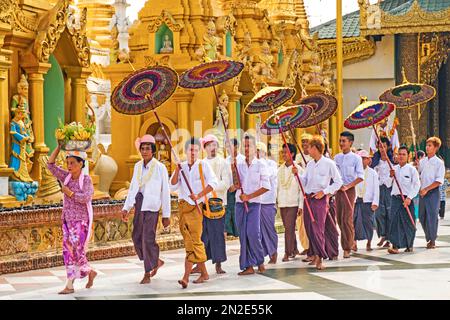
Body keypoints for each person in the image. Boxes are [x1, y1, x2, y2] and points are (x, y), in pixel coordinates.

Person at [121, 135, 171, 284]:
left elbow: (165, 191)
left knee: (147, 239)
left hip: (152, 206)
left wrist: (166, 214)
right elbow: (132, 188)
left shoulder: (160, 167)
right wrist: (126, 207)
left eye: (147, 148)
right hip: (139, 204)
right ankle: (155, 260)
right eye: (142, 148)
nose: (144, 151)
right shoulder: (137, 166)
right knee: (136, 237)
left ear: (153, 150)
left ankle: (147, 273)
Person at [48, 145, 97, 294]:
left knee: (77, 250)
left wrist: (69, 193)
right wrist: (58, 147)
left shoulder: (86, 180)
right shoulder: (66, 177)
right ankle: (84, 274)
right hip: (67, 220)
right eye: (67, 163)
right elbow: (50, 165)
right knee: (67, 251)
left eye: (72, 163)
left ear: (81, 163)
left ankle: (73, 282)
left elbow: (87, 197)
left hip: (81, 221)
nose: (69, 166)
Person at [170, 138, 218, 288]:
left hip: (196, 207)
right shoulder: (182, 166)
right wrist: (177, 170)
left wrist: (199, 195)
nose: (193, 153)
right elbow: (172, 185)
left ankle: (185, 277)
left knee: (194, 241)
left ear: (199, 151)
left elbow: (213, 183)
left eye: (196, 150)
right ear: (185, 151)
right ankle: (204, 273)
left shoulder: (204, 165)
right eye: (190, 150)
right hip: (183, 207)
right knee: (190, 241)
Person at [300, 136, 343, 270]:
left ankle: (320, 257)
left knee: (318, 228)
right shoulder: (310, 164)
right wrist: (297, 174)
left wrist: (325, 192)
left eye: (310, 147)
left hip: (320, 199)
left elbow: (338, 182)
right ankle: (314, 253)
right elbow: (305, 181)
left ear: (316, 148)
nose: (308, 149)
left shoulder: (329, 163)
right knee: (309, 228)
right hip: (308, 198)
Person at [233, 135, 270, 275]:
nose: (247, 149)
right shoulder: (239, 163)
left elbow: (266, 186)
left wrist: (249, 196)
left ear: (255, 148)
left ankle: (260, 261)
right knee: (243, 234)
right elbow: (237, 184)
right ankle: (247, 266)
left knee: (253, 233)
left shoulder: (261, 164)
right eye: (245, 146)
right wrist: (233, 169)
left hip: (254, 204)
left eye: (249, 146)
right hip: (240, 204)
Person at [199, 134, 231, 274]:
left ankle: (218, 263)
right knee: (203, 235)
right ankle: (200, 263)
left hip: (218, 203)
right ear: (205, 148)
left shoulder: (223, 162)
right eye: (209, 145)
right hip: (203, 203)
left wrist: (211, 187)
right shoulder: (201, 163)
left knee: (217, 234)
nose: (212, 148)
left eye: (214, 145)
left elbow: (226, 183)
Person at [334, 131, 364, 258]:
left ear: (350, 142)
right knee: (339, 220)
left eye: (344, 141)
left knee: (347, 219)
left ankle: (347, 247)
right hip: (338, 190)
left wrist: (348, 186)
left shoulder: (356, 158)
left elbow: (360, 177)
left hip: (349, 190)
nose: (341, 143)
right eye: (340, 141)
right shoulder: (336, 157)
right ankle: (349, 242)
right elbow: (334, 174)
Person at [388, 146, 420, 254]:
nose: (401, 156)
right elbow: (388, 184)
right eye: (399, 154)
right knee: (393, 222)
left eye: (403, 154)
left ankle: (409, 245)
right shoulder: (393, 168)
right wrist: (391, 176)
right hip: (395, 199)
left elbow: (416, 185)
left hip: (407, 199)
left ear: (408, 156)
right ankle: (395, 245)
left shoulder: (412, 170)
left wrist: (409, 198)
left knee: (408, 223)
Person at [278, 143, 305, 262]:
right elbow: (278, 186)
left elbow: (301, 189)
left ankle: (287, 253)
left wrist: (301, 206)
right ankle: (294, 249)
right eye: (282, 152)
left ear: (292, 154)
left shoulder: (298, 170)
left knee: (289, 228)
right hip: (282, 202)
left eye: (286, 152)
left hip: (293, 203)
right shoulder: (279, 169)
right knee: (288, 227)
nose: (283, 154)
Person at [418, 137, 445, 249]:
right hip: (422, 192)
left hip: (433, 192)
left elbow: (439, 181)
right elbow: (419, 175)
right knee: (421, 216)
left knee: (432, 216)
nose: (427, 147)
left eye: (430, 146)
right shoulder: (422, 161)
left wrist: (427, 189)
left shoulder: (439, 163)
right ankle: (429, 236)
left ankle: (432, 240)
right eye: (427, 145)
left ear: (436, 148)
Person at [257, 141, 279, 264]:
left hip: (268, 201)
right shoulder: (254, 164)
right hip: (257, 201)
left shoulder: (271, 164)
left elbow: (268, 175)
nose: (257, 154)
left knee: (269, 228)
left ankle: (273, 252)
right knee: (259, 230)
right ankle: (265, 252)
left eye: (259, 151)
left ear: (264, 152)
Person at [353, 150, 379, 251]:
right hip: (356, 200)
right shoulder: (354, 172)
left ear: (369, 160)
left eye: (364, 158)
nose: (362, 161)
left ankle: (369, 242)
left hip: (368, 201)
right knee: (354, 221)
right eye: (360, 159)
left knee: (369, 223)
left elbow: (376, 189)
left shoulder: (373, 173)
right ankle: (354, 243)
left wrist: (375, 202)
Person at [373, 138, 394, 248]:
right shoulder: (375, 162)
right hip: (378, 189)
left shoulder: (392, 162)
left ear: (388, 147)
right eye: (380, 146)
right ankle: (383, 235)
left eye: (384, 146)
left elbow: (392, 179)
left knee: (389, 213)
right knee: (379, 213)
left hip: (389, 190)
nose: (382, 149)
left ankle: (389, 238)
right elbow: (374, 177)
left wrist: (390, 176)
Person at [225, 138, 245, 237]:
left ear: (237, 147)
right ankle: (228, 231)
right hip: (228, 191)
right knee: (228, 211)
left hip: (240, 191)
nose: (228, 148)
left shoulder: (243, 160)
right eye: (227, 146)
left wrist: (236, 186)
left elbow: (245, 177)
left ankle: (239, 231)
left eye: (230, 146)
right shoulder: (226, 161)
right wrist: (229, 186)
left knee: (237, 211)